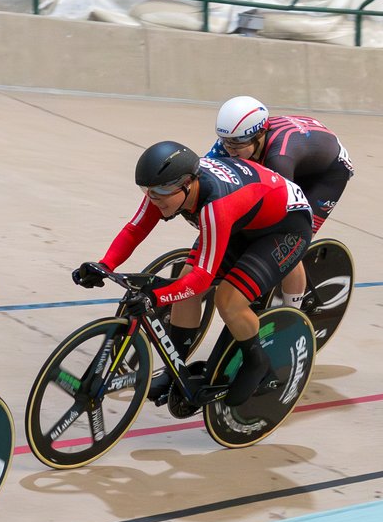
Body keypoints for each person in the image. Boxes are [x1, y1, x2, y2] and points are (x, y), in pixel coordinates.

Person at [72, 140, 312, 406]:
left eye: (161, 192)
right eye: (147, 191)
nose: (154, 199)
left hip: (284, 227)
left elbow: (201, 280)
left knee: (228, 300)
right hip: (243, 219)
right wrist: (104, 265)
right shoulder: (164, 188)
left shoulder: (214, 206)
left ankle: (257, 363)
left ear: (188, 184)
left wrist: (156, 297)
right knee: (183, 287)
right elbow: (135, 230)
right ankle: (176, 370)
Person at [208, 96, 353, 306]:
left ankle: (292, 311)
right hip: (304, 152)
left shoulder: (279, 158)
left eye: (237, 143)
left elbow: (284, 216)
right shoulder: (235, 137)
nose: (229, 148)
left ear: (259, 134)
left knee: (288, 240)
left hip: (327, 175)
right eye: (224, 140)